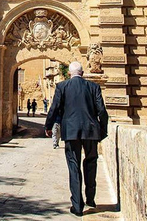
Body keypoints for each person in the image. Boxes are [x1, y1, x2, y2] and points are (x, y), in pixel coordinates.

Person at [44, 61, 108, 216]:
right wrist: (103, 130)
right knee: (91, 162)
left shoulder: (62, 87)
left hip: (71, 131)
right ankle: (91, 199)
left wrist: (48, 125)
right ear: (83, 73)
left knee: (74, 166)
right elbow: (102, 111)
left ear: (69, 74)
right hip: (91, 131)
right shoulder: (94, 87)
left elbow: (54, 108)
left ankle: (77, 206)